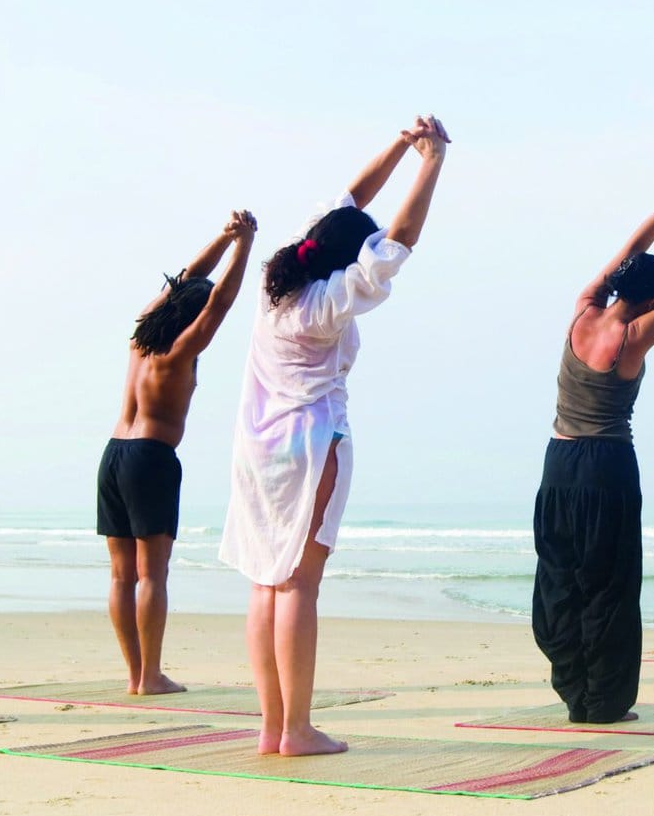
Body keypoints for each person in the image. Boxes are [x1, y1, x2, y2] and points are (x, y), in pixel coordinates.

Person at [220, 116, 449, 755]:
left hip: (256, 449)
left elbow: (351, 200)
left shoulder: (280, 282)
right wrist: (433, 162)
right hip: (311, 444)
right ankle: (297, 729)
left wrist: (404, 146)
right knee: (298, 583)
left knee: (267, 582)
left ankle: (273, 727)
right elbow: (397, 240)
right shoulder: (324, 302)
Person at [534, 181, 654, 723]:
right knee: (609, 581)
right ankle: (605, 702)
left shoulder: (583, 311)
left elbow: (628, 251)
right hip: (606, 467)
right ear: (651, 300)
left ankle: (574, 691)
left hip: (558, 463)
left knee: (561, 576)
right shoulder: (634, 336)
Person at [99, 209, 259, 696]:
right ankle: (151, 676)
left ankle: (135, 676)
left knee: (121, 575)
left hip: (112, 455)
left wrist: (223, 237)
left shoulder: (141, 336)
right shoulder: (181, 351)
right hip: (150, 459)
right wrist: (245, 245)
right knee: (153, 574)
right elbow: (221, 302)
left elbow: (184, 281)